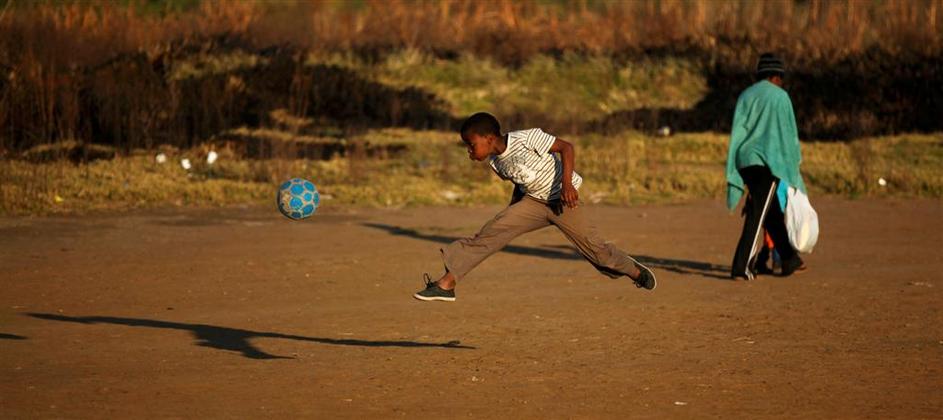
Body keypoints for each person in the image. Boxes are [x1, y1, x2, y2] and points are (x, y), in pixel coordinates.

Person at [414, 112, 656, 302]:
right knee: (489, 234)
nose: (469, 150)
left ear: (488, 138)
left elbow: (566, 148)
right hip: (534, 203)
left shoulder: (526, 138)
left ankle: (634, 270)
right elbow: (520, 184)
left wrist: (567, 185)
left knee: (598, 253)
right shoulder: (496, 163)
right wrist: (511, 211)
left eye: (471, 144)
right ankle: (446, 284)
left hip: (564, 201)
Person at [726, 53, 807, 280]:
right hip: (765, 163)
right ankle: (741, 267)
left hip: (745, 160)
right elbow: (788, 134)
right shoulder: (780, 97)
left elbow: (738, 132)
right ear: (776, 76)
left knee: (769, 212)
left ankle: (790, 259)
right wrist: (793, 165)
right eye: (781, 78)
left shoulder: (746, 95)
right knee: (757, 214)